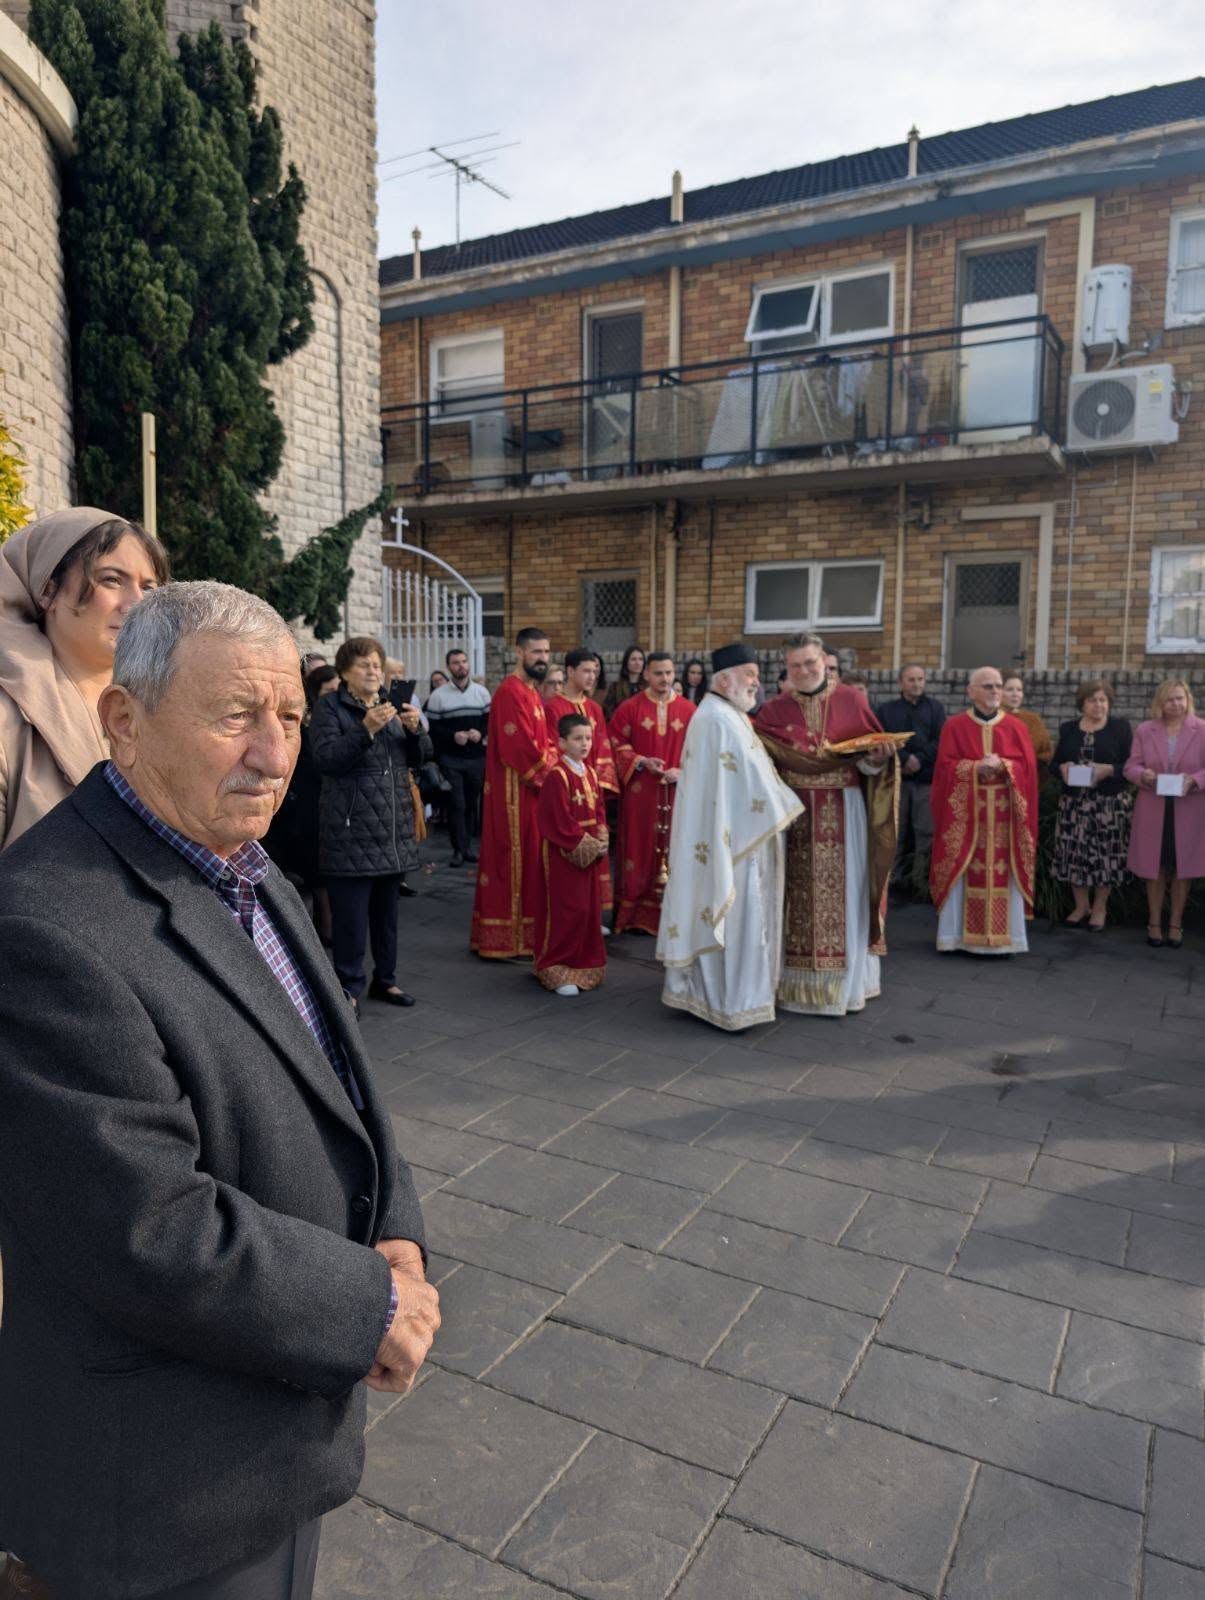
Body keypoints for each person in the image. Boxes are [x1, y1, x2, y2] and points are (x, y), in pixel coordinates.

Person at [0, 581, 437, 1600]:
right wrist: (368, 1302)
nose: (275, 755)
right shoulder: (47, 926)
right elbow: (145, 1226)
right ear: (125, 719)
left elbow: (338, 1076)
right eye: (236, 715)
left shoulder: (235, 853)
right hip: (169, 1482)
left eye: (288, 715)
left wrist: (398, 1231)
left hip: (271, 1421)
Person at [0, 506, 167, 849]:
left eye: (148, 588)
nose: (136, 604)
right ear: (48, 590)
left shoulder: (166, 711)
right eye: (112, 580)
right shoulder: (7, 723)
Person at [659, 644, 803, 1029]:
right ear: (725, 680)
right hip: (732, 843)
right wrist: (787, 804)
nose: (756, 682)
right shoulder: (717, 719)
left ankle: (732, 997)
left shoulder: (730, 714)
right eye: (749, 674)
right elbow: (744, 783)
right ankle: (731, 1001)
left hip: (739, 836)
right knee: (736, 919)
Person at [755, 634, 898, 1016]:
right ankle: (792, 986)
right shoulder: (772, 711)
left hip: (844, 810)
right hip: (793, 817)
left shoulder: (852, 700)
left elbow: (868, 765)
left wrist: (877, 760)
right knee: (791, 895)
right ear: (786, 668)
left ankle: (845, 988)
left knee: (848, 892)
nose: (804, 671)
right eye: (795, 665)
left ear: (824, 661)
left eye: (810, 663)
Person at [310, 636, 431, 1011]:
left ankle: (386, 981)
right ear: (345, 672)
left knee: (386, 917)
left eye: (377, 665)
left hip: (391, 830)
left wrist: (415, 731)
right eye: (364, 665)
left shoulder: (391, 706)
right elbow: (326, 759)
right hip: (351, 832)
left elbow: (422, 758)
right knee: (350, 919)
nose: (373, 671)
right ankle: (348, 989)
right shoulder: (330, 708)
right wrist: (364, 730)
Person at [930, 666, 1038, 955]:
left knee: (1004, 872)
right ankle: (956, 938)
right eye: (988, 686)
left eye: (998, 685)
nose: (995, 691)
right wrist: (975, 768)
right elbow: (943, 770)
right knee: (964, 869)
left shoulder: (1016, 727)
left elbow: (1028, 771)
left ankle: (1006, 940)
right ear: (971, 691)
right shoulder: (954, 726)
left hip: (1005, 816)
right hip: (968, 817)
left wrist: (1006, 765)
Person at [469, 627, 557, 958]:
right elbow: (519, 748)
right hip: (512, 797)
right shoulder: (510, 692)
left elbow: (546, 742)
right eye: (536, 652)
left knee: (530, 863)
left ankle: (525, 938)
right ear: (519, 653)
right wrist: (554, 777)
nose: (542, 658)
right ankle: (507, 940)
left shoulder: (532, 692)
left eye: (546, 652)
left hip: (531, 794)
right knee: (511, 862)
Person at [608, 651, 695, 934]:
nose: (665, 679)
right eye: (658, 673)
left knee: (678, 846)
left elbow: (701, 751)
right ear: (646, 674)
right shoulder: (629, 708)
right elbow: (614, 745)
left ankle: (676, 917)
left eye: (669, 673)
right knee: (638, 847)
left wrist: (683, 770)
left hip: (679, 792)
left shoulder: (689, 710)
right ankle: (634, 917)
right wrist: (641, 761)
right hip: (640, 793)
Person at [1124, 677, 1205, 948]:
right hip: (1153, 808)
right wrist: (1142, 775)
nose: (1176, 704)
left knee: (1183, 868)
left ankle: (1176, 924)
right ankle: (1154, 922)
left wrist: (1195, 780)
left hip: (1190, 809)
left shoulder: (1202, 729)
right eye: (1170, 699)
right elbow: (1130, 766)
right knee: (1155, 866)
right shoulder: (1145, 730)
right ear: (1160, 702)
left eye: (1180, 698)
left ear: (1188, 700)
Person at [534, 713, 609, 996]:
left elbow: (599, 808)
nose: (585, 743)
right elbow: (556, 819)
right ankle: (556, 965)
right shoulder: (558, 775)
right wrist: (586, 845)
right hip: (564, 856)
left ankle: (583, 963)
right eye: (578, 738)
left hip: (587, 856)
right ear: (562, 742)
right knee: (567, 909)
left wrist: (602, 833)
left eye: (588, 738)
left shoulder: (590, 772)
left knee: (587, 909)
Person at [265, 662, 339, 941]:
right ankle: (320, 928)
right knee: (311, 870)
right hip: (301, 806)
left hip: (322, 804)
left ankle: (325, 926)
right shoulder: (308, 725)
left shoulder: (334, 721)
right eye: (329, 691)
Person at [1052, 680, 1133, 931]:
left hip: (1109, 804)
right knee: (1074, 854)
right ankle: (1081, 906)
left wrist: (1109, 770)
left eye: (1103, 700)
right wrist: (1062, 767)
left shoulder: (1120, 728)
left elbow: (1132, 766)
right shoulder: (1068, 729)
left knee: (1105, 856)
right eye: (1092, 700)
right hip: (1074, 804)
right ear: (1082, 704)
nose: (1098, 705)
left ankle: (1099, 908)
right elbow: (1054, 764)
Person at [546, 648, 619, 925]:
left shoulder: (595, 709)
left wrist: (597, 784)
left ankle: (593, 917)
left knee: (596, 848)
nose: (592, 677)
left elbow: (603, 748)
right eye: (587, 671)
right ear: (570, 671)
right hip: (567, 788)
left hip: (591, 790)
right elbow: (552, 748)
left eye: (595, 672)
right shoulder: (553, 707)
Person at [875, 663, 946, 899]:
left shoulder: (936, 708)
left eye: (920, 679)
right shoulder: (887, 710)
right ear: (900, 683)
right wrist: (905, 759)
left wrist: (919, 759)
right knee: (896, 831)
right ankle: (892, 881)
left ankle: (920, 882)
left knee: (925, 832)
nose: (917, 684)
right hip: (897, 780)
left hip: (926, 780)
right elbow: (882, 739)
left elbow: (940, 740)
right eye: (911, 679)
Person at [425, 647, 490, 868]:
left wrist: (480, 732)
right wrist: (453, 736)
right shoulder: (438, 696)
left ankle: (468, 846)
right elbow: (432, 729)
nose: (461, 666)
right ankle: (458, 850)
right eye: (456, 662)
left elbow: (489, 720)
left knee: (471, 804)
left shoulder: (482, 693)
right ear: (448, 667)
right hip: (451, 758)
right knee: (457, 804)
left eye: (464, 661)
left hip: (476, 758)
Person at [1001, 674, 1053, 768]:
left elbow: (1046, 752)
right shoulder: (990, 720)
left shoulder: (1032, 720)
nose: (1015, 694)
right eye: (1009, 689)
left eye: (1019, 690)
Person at [602, 643, 645, 717]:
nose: (637, 663)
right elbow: (608, 710)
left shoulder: (648, 686)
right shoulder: (616, 687)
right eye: (633, 659)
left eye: (640, 659)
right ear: (626, 662)